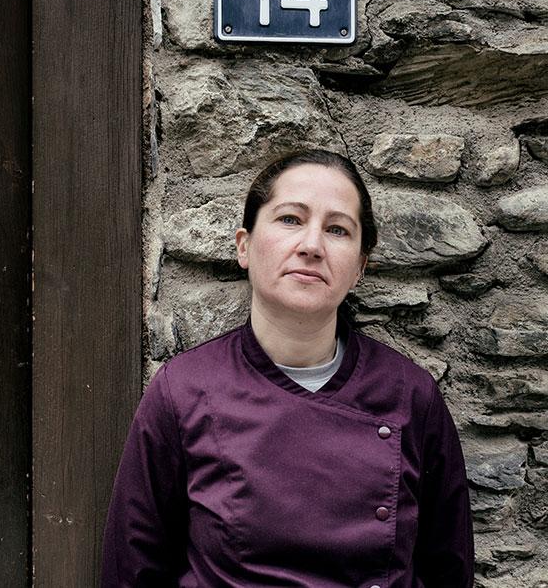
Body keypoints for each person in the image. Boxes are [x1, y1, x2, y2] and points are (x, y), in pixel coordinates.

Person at [102, 150, 474, 587]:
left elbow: (450, 571)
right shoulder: (183, 391)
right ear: (244, 246)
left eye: (337, 229)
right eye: (290, 219)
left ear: (359, 266)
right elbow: (132, 572)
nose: (312, 246)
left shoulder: (411, 394)